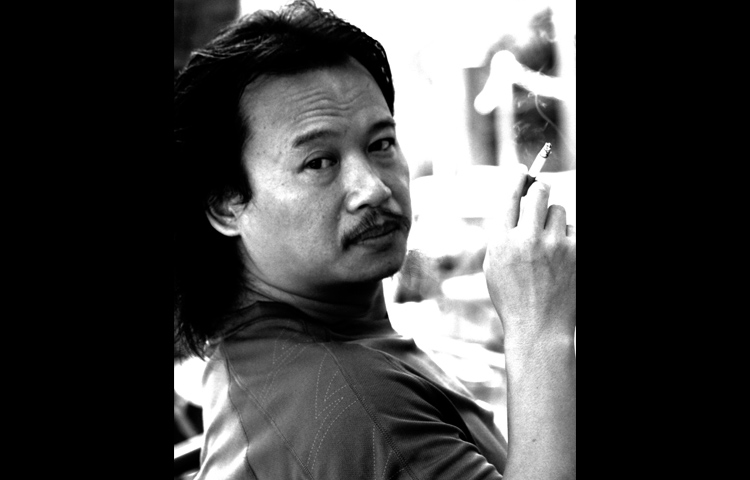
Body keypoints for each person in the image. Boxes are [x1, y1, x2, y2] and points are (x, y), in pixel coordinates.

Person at [173, 1, 576, 479]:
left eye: (381, 144)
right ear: (226, 204)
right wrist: (539, 326)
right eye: (319, 162)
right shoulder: (352, 402)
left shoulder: (277, 351)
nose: (374, 188)